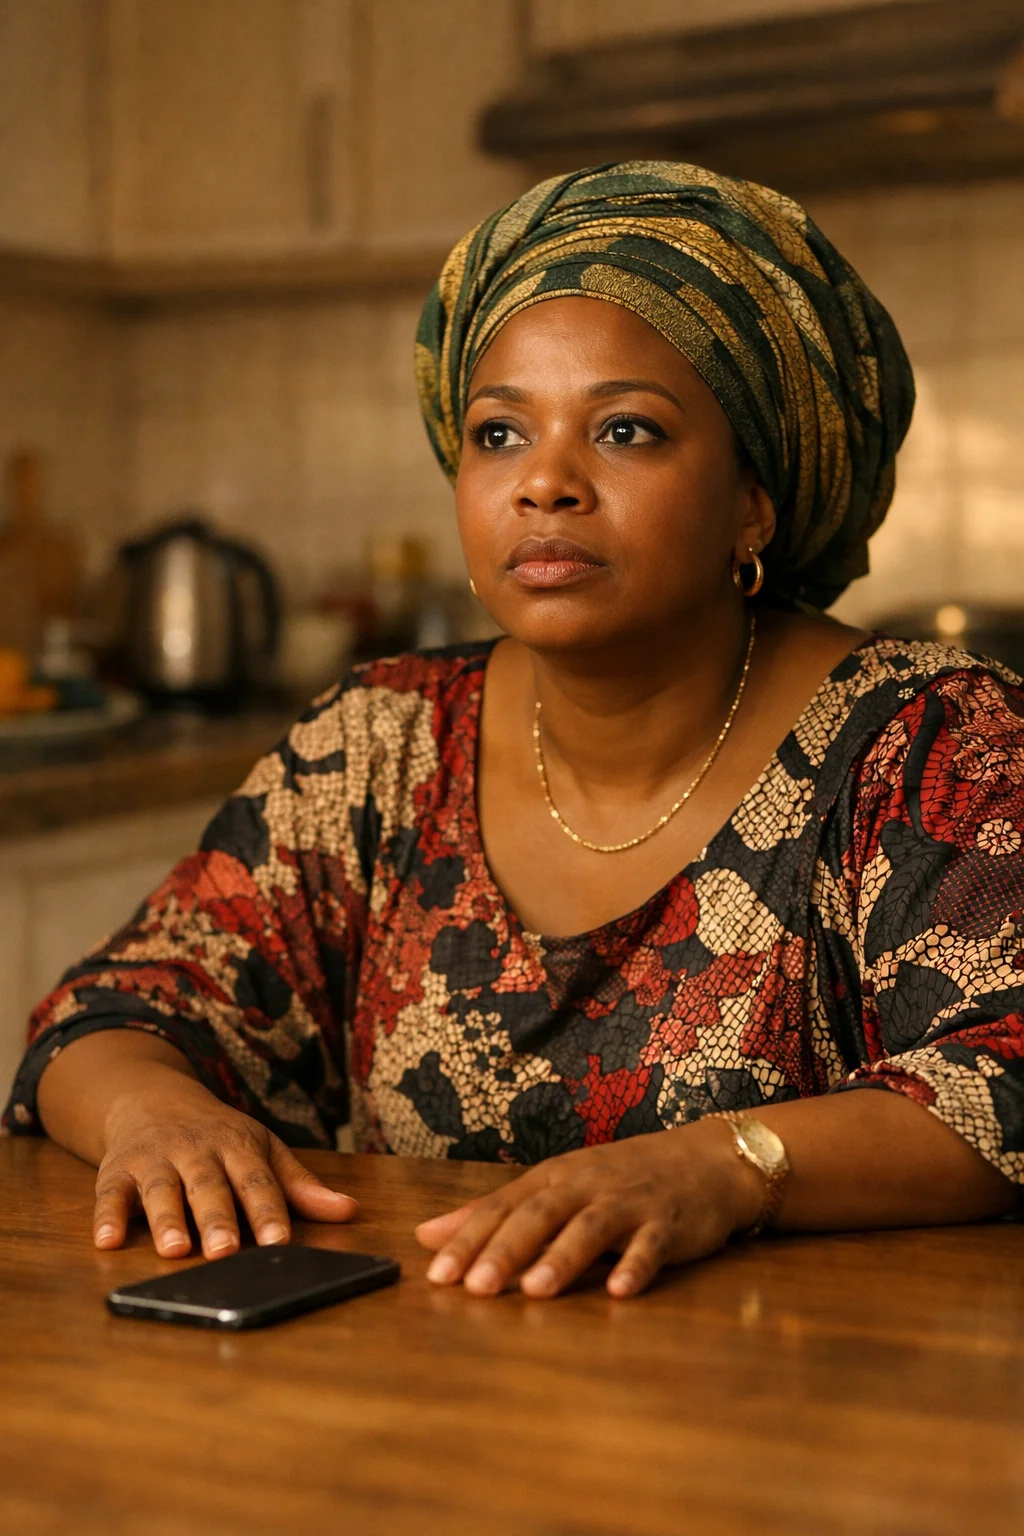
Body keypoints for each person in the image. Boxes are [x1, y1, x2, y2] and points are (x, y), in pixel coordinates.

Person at [5, 162, 1022, 1302]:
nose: (544, 482)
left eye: (627, 429)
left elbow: (1007, 1072)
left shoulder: (927, 740)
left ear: (753, 498)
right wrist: (159, 1114)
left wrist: (727, 1165)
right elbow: (110, 1011)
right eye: (497, 435)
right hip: (428, 1405)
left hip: (816, 1415)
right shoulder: (381, 741)